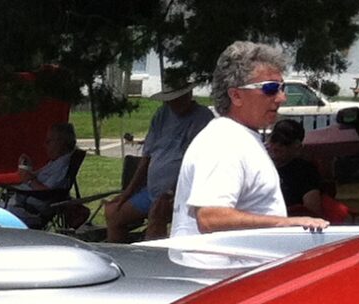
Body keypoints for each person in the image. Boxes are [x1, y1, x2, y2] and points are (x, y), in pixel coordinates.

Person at [173, 41, 328, 238]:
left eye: (283, 87)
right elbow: (210, 218)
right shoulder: (224, 142)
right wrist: (287, 223)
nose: (281, 97)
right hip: (221, 260)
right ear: (236, 95)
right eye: (271, 88)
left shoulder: (240, 138)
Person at [102, 78, 213, 242]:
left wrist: (171, 192)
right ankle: (121, 255)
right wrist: (128, 192)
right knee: (114, 214)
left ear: (188, 94)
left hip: (181, 195)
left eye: (177, 98)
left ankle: (153, 256)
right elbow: (147, 157)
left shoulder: (203, 118)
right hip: (151, 192)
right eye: (170, 100)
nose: (173, 103)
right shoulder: (162, 114)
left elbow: (198, 164)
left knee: (157, 216)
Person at [4, 121, 82, 228]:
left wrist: (29, 180)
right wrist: (28, 169)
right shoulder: (56, 161)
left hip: (31, 211)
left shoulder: (63, 165)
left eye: (49, 141)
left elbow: (47, 192)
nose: (45, 144)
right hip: (24, 203)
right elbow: (38, 179)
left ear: (62, 142)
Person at [266, 118, 344, 221]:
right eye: (274, 140)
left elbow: (312, 211)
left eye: (285, 143)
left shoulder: (305, 172)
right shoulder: (259, 166)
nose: (276, 146)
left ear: (297, 146)